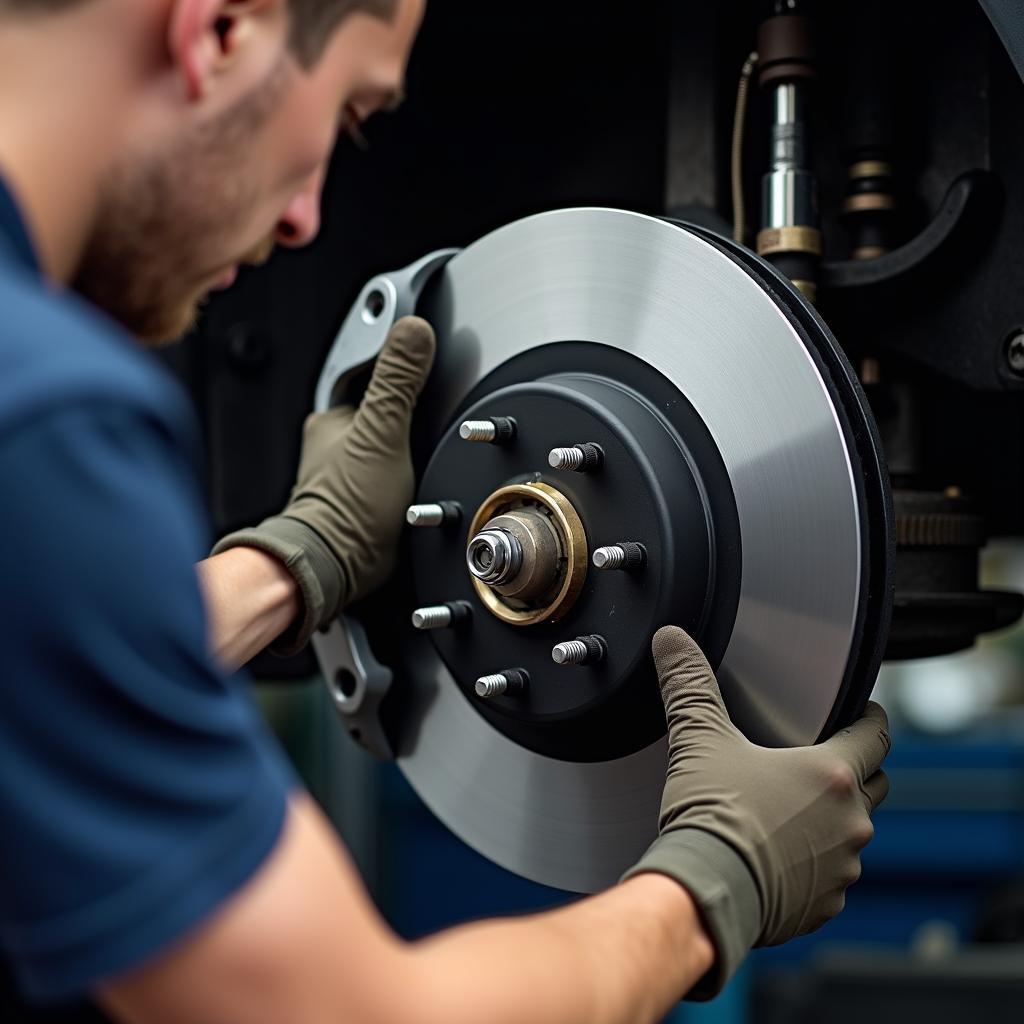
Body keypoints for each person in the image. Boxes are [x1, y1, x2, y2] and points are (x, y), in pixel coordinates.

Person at [0, 1, 891, 1021]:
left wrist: (297, 558)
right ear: (223, 31)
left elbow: (44, 655)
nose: (306, 218)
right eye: (350, 116)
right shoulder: (45, 419)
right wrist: (713, 883)